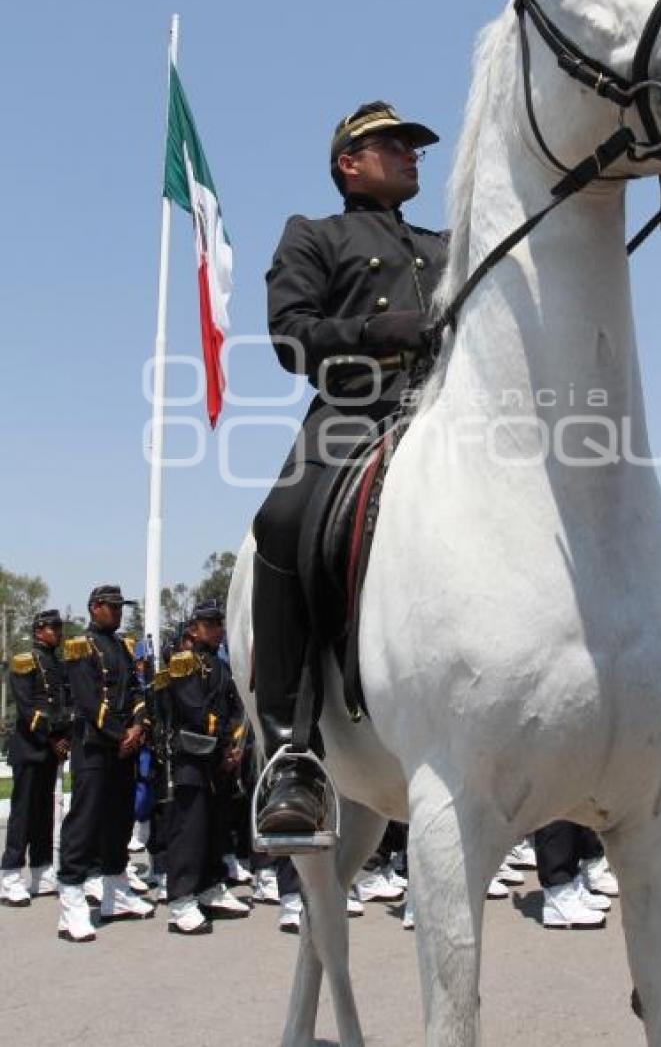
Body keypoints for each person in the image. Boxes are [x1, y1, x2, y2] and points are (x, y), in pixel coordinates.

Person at [252, 100, 447, 837]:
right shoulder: (315, 233)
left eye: (414, 146)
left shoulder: (447, 242)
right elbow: (290, 337)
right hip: (355, 409)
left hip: (454, 408)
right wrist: (375, 330)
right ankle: (290, 755)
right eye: (394, 144)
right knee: (280, 520)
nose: (411, 154)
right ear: (349, 162)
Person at [57, 585, 154, 942]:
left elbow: (137, 692)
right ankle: (71, 899)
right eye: (111, 607)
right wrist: (120, 733)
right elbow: (87, 699)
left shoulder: (123, 646)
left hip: (122, 748)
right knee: (85, 820)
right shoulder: (81, 646)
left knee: (119, 819)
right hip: (94, 747)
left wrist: (138, 725)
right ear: (94, 608)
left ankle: (115, 889)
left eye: (119, 608)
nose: (117, 613)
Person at [165, 599, 251, 935]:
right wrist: (225, 737)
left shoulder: (219, 665)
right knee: (190, 830)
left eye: (220, 624)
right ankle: (181, 899)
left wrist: (233, 745)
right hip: (193, 758)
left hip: (218, 760)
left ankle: (210, 885)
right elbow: (194, 710)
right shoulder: (183, 663)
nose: (218, 630)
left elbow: (234, 705)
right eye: (211, 624)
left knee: (215, 827)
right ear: (194, 628)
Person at [1, 610, 70, 906]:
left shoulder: (57, 662)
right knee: (23, 814)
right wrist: (53, 736)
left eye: (59, 627)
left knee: (44, 813)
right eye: (53, 628)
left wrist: (65, 734)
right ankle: (10, 874)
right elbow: (29, 709)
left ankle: (41, 870)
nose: (58, 632)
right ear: (38, 630)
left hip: (50, 750)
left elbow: (64, 703)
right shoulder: (25, 661)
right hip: (31, 748)